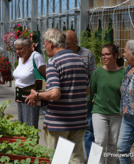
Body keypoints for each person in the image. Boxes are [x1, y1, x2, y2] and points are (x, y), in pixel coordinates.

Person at [26, 28, 88, 164]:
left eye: (44, 43)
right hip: (79, 119)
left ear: (50, 43)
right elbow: (86, 89)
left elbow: (55, 93)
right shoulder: (80, 60)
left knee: (57, 159)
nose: (44, 46)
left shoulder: (54, 62)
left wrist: (38, 95)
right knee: (76, 158)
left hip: (59, 122)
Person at [87, 44, 125, 164]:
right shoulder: (98, 72)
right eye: (102, 55)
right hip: (99, 112)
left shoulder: (124, 73)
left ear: (115, 55)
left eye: (107, 54)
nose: (104, 57)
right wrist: (84, 110)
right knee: (99, 142)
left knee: (113, 144)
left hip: (117, 114)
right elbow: (90, 93)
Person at [66, 30, 97, 159]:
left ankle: (92, 160)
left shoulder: (87, 54)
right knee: (67, 132)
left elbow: (93, 77)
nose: (65, 46)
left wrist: (93, 96)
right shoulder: (61, 55)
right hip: (68, 102)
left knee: (90, 131)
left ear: (76, 41)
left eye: (68, 43)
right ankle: (68, 160)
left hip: (85, 100)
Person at [12, 37, 46, 129]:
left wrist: (38, 95)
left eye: (20, 49)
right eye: (16, 49)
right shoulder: (20, 58)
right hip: (20, 95)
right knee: (22, 124)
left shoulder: (36, 57)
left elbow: (44, 76)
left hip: (31, 97)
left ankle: (32, 143)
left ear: (29, 47)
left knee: (30, 125)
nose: (18, 52)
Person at [117, 40, 134, 164]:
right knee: (122, 150)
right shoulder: (129, 68)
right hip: (127, 117)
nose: (123, 54)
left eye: (125, 51)